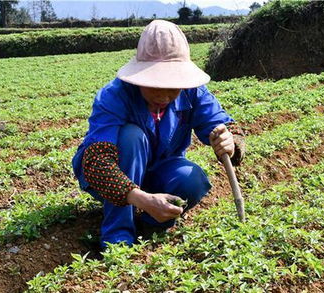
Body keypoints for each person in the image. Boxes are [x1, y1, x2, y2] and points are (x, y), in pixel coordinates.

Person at [72, 20, 245, 248]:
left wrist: (229, 140)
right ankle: (118, 237)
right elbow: (97, 161)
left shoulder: (193, 92)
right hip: (115, 172)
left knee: (192, 179)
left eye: (172, 87)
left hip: (161, 170)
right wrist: (141, 198)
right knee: (131, 136)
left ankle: (151, 224)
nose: (164, 95)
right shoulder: (114, 95)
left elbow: (223, 124)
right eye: (155, 84)